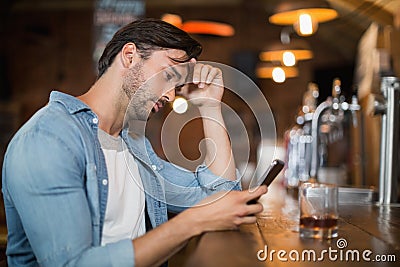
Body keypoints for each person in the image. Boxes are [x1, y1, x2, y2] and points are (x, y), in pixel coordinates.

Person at [2, 18, 267, 267]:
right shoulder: (48, 139)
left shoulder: (132, 144)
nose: (172, 95)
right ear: (129, 56)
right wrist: (191, 222)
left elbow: (220, 199)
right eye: (169, 75)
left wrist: (210, 106)